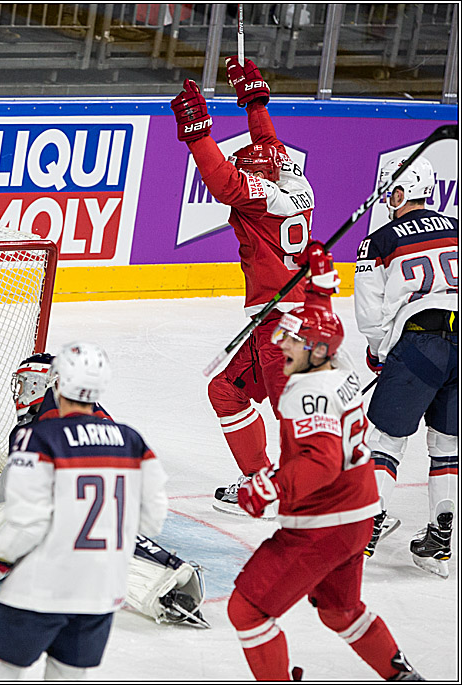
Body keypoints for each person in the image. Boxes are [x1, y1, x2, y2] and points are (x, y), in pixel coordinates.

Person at [228, 243, 422, 681]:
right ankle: (403, 677)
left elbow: (321, 462)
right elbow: (321, 324)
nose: (282, 343)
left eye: (292, 340)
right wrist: (319, 283)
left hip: (325, 523)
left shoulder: (306, 391)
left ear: (314, 350)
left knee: (248, 609)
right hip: (358, 515)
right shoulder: (338, 362)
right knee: (340, 611)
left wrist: (271, 487)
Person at [0, 353, 208, 628]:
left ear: (43, 384)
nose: (20, 392)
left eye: (25, 384)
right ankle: (169, 579)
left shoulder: (41, 424)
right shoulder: (93, 416)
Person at [0, 343, 169, 679]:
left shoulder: (38, 437)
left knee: (1, 670)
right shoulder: (132, 440)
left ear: (57, 383)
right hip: (102, 588)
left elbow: (28, 524)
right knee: (68, 675)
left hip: (44, 583)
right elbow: (153, 517)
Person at [171, 58, 316, 517]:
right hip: (290, 316)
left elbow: (222, 179)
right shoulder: (295, 183)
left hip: (282, 327)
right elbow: (270, 146)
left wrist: (197, 135)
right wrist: (254, 102)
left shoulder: (259, 199)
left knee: (296, 414)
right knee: (227, 390)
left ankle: (314, 497)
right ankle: (260, 480)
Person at [354, 156, 458, 575]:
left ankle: (363, 532)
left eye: (392, 190)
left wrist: (381, 354)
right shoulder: (457, 227)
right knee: (447, 446)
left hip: (419, 346)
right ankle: (439, 542)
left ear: (404, 191)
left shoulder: (379, 241)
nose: (388, 198)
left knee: (385, 441)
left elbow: (370, 316)